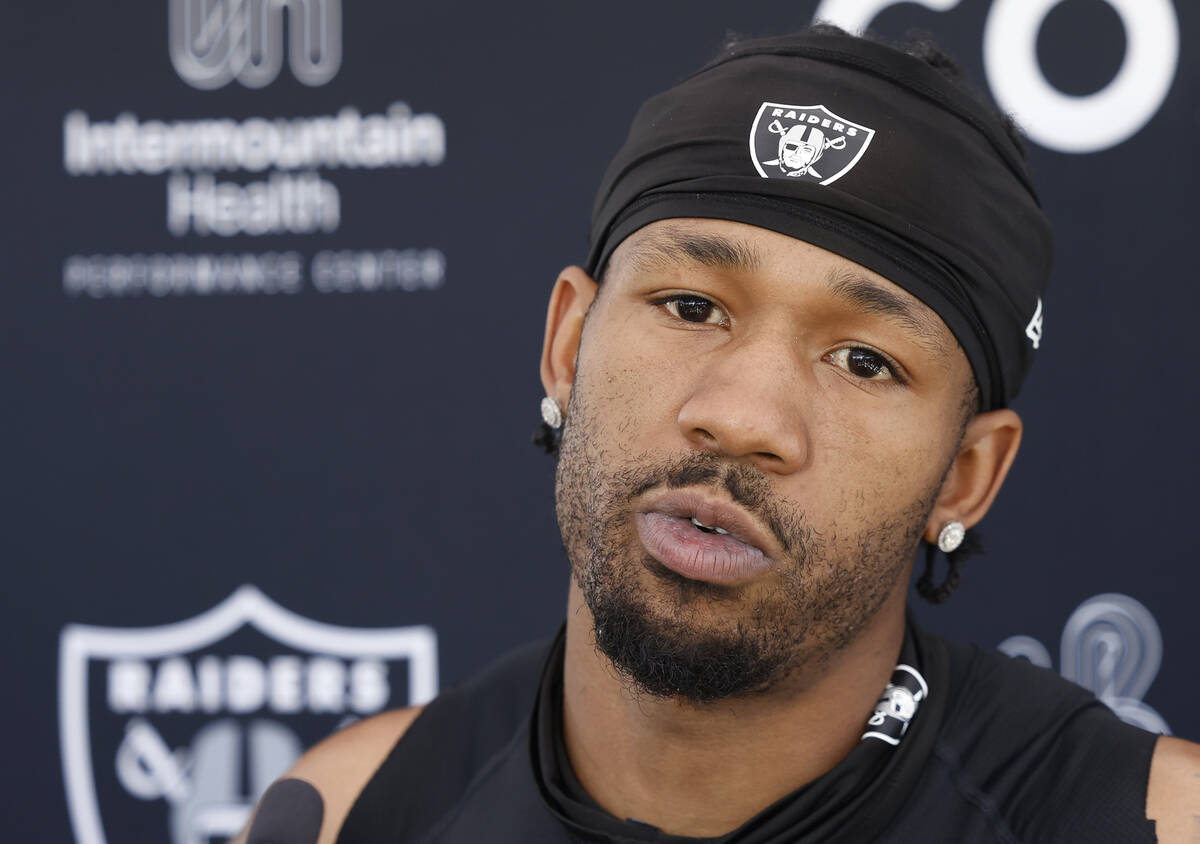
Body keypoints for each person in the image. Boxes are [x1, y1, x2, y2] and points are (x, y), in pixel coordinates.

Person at [237, 24, 1200, 844]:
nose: (742, 418)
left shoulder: (1152, 819)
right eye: (692, 305)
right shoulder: (348, 814)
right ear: (568, 347)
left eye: (865, 361)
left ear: (966, 476)